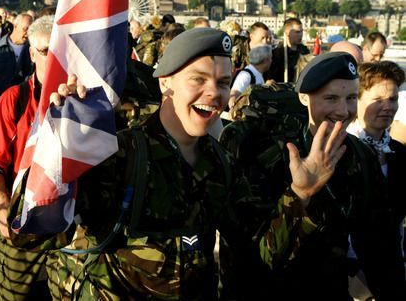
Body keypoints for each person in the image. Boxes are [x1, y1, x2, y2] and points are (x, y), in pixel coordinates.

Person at [47, 28, 355, 299]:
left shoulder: (221, 163)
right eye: (199, 79)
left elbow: (256, 256)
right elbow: (32, 232)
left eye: (223, 82)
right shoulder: (121, 153)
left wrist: (300, 194)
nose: (214, 93)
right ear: (165, 82)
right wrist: (58, 141)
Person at [220, 52, 406, 300]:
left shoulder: (360, 156)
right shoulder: (265, 153)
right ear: (304, 98)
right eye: (330, 98)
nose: (343, 111)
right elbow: (253, 258)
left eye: (351, 98)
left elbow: (379, 245)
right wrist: (299, 196)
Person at [0, 15, 60, 300]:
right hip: (22, 220)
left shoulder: (83, 102)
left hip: (70, 224)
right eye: (45, 51)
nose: (53, 58)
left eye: (59, 50)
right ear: (32, 53)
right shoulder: (14, 99)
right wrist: (3, 213)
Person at [347, 61, 406, 271]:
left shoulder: (398, 152)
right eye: (378, 100)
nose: (388, 107)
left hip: (391, 266)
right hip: (351, 270)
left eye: (393, 99)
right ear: (356, 100)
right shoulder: (343, 150)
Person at [0, 13, 34, 95]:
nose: (28, 33)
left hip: (22, 101)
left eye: (31, 31)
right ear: (15, 26)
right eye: (25, 29)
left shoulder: (33, 50)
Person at [265, 17, 311, 83]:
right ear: (287, 33)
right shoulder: (277, 53)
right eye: (297, 32)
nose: (301, 35)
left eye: (301, 31)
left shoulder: (305, 51)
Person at [228, 44, 272, 108]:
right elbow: (233, 98)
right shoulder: (246, 75)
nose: (271, 61)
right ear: (265, 60)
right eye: (270, 58)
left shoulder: (257, 74)